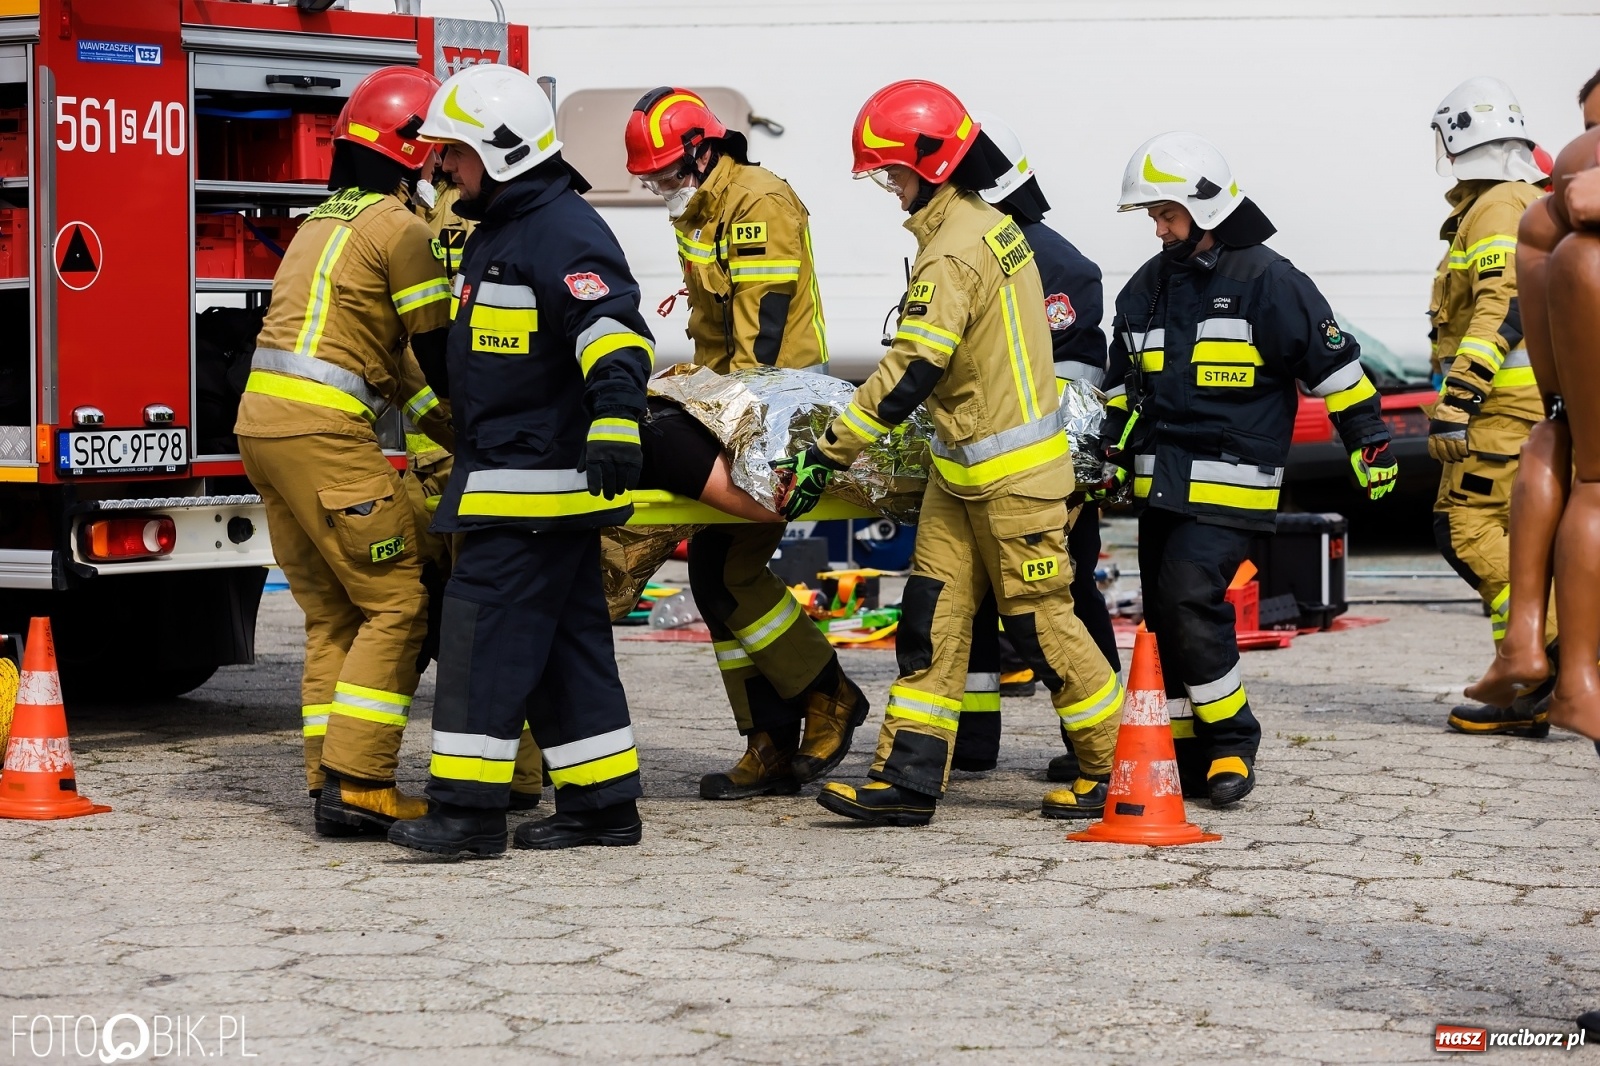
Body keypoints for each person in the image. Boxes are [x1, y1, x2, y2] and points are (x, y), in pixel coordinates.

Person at [778, 80, 1126, 827]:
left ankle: (1114, 769)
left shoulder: (953, 254)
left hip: (1013, 483)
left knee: (1043, 624)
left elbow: (912, 371)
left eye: (891, 173)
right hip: (963, 474)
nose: (887, 188)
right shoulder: (986, 226)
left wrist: (831, 452)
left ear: (931, 165)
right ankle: (905, 778)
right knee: (931, 622)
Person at [386, 64, 653, 857]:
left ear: (500, 151)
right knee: (569, 652)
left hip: (530, 489)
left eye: (454, 153)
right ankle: (602, 806)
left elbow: (612, 328)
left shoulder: (562, 230)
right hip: (526, 484)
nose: (441, 167)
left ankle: (465, 816)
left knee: (482, 641)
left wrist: (614, 419)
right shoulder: (506, 228)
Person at [1100, 132, 1395, 807]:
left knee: (1187, 600)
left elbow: (1337, 371)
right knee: (1164, 619)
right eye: (1152, 215)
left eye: (1166, 212)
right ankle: (1181, 749)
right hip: (1159, 487)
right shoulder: (1145, 290)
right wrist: (1107, 455)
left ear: (1206, 207)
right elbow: (1121, 390)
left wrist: (1369, 442)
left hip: (1231, 483)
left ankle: (1232, 741)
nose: (1158, 227)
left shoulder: (1269, 281)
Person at [622, 87, 869, 799]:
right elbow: (711, 332)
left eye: (666, 171)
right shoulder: (699, 208)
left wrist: (730, 430)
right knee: (711, 576)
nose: (657, 186)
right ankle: (769, 744)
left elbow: (763, 339)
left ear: (704, 150)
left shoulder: (758, 200)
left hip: (773, 410)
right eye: (651, 176)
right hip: (727, 403)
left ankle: (830, 695)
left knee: (729, 574)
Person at [234, 66, 454, 836]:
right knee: (398, 602)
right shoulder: (403, 230)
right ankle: (360, 785)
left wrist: (441, 425)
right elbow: (439, 353)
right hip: (324, 436)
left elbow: (390, 369)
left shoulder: (320, 222)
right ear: (415, 154)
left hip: (263, 431)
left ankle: (327, 779)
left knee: (333, 614)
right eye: (441, 156)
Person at [943, 111, 1123, 818]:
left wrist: (1072, 482)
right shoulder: (973, 243)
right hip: (979, 465)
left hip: (1046, 473)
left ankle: (1098, 745)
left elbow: (1073, 390)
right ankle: (976, 739)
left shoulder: (1059, 264)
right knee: (976, 602)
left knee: (1064, 599)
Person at [403, 150, 546, 811]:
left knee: (477, 617)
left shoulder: (424, 223)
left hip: (452, 444)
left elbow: (419, 344)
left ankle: (503, 776)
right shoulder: (502, 216)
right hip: (469, 438)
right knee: (491, 614)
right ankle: (516, 771)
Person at [1420, 77, 1555, 736]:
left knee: (1467, 528)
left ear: (1454, 139)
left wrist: (1460, 398)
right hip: (1517, 404)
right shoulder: (1515, 199)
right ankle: (1528, 679)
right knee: (1518, 541)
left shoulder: (1499, 206)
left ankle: (1543, 657)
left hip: (1502, 405)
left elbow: (1504, 303)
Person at [1467, 72, 1600, 712]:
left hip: (1556, 325)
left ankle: (1530, 642)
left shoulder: (1522, 195)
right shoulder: (1550, 180)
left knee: (1564, 440)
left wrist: (1459, 393)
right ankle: (1568, 670)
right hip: (1571, 289)